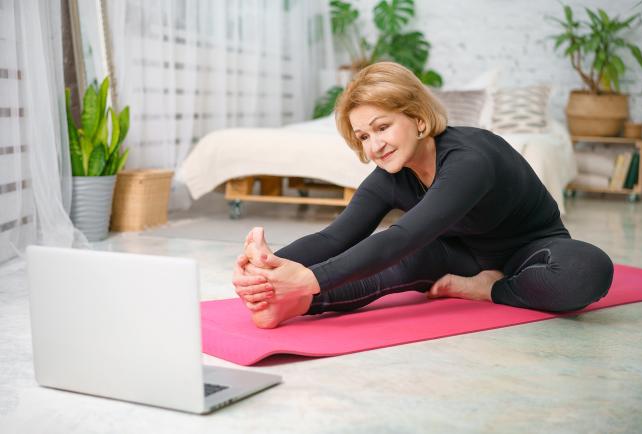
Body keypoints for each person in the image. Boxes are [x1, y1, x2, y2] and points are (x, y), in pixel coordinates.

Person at [231, 61, 614, 329]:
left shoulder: (469, 159)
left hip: (530, 248)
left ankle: (489, 288)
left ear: (417, 118)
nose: (375, 145)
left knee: (586, 270)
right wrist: (269, 267)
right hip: (456, 255)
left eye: (382, 127)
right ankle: (296, 305)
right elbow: (335, 237)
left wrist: (306, 277)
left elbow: (405, 235)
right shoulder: (389, 174)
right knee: (399, 263)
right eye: (363, 136)